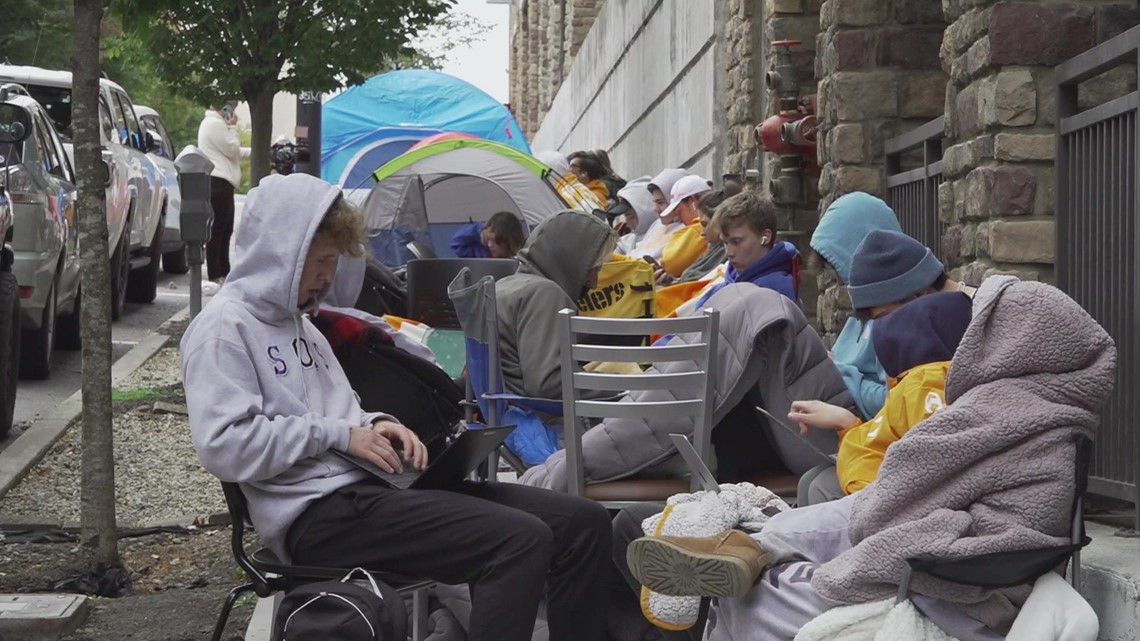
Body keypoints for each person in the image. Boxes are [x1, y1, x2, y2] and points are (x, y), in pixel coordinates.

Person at [181, 174, 612, 641]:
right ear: (281, 252)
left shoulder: (300, 326)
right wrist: (340, 436)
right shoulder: (223, 330)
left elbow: (344, 414)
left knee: (581, 523)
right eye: (321, 261)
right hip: (318, 515)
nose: (329, 277)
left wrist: (379, 425)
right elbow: (224, 446)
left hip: (371, 491)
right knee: (518, 542)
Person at [625, 276, 1117, 641]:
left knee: (753, 595)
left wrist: (868, 523)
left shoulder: (995, 412)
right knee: (836, 515)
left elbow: (900, 492)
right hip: (977, 557)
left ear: (1012, 340)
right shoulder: (1059, 413)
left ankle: (748, 547)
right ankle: (746, 544)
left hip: (957, 581)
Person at [791, 290, 972, 505]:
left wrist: (848, 429)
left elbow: (926, 472)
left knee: (818, 488)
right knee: (810, 482)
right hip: (878, 482)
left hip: (882, 500)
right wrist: (846, 424)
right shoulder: (916, 384)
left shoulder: (923, 385)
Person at [495, 209, 618, 399]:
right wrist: (624, 385)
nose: (594, 283)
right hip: (549, 422)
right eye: (592, 270)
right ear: (569, 261)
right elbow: (549, 384)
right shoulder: (545, 294)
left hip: (509, 417)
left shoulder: (504, 286)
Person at [692, 191, 799, 307]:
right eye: (725, 243)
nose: (729, 253)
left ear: (765, 237)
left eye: (736, 242)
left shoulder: (774, 293)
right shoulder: (732, 278)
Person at [197, 100, 243, 283]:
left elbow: (233, 151)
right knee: (218, 229)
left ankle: (223, 271)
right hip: (218, 181)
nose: (233, 110)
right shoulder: (215, 124)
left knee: (225, 229)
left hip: (223, 182)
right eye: (232, 106)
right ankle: (216, 273)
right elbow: (232, 149)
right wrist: (233, 127)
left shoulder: (215, 124)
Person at [654, 175, 712, 281]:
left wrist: (662, 262)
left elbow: (671, 261)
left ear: (692, 202)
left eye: (679, 211)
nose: (678, 218)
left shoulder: (699, 229)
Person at [674, 189, 728, 283]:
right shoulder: (714, 249)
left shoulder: (725, 251)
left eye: (704, 224)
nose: (702, 233)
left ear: (720, 222)